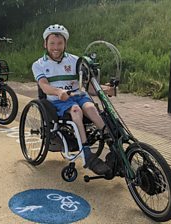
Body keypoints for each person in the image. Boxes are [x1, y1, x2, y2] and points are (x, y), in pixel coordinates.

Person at [32, 24, 115, 176]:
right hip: (57, 101)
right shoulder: (39, 64)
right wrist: (58, 91)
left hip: (78, 95)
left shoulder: (75, 61)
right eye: (52, 43)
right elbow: (44, 86)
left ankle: (113, 145)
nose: (55, 47)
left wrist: (105, 90)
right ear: (45, 44)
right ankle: (86, 152)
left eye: (59, 43)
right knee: (76, 111)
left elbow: (88, 86)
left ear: (65, 44)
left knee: (91, 108)